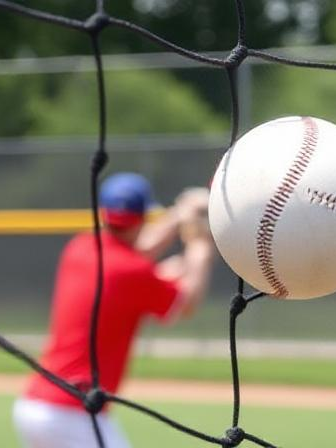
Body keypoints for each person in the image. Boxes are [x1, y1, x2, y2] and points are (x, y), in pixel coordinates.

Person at [13, 172, 214, 448]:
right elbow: (186, 304)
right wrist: (200, 242)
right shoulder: (134, 272)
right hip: (73, 413)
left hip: (36, 405)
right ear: (143, 217)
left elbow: (139, 257)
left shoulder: (81, 247)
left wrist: (181, 214)